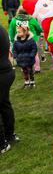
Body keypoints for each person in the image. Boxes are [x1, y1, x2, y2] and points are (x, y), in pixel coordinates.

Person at [0, 23, 18, 154]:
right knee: (4, 104)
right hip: (6, 71)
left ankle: (2, 143)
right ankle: (9, 135)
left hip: (2, 73)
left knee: (3, 105)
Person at [9, 8, 43, 73]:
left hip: (19, 40)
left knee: (21, 54)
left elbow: (11, 31)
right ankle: (37, 68)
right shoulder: (31, 19)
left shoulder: (14, 20)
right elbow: (38, 28)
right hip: (32, 38)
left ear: (18, 13)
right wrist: (38, 34)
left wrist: (13, 40)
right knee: (35, 54)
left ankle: (24, 68)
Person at [13, 22, 38, 89]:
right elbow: (14, 49)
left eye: (19, 32)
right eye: (17, 32)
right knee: (24, 71)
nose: (17, 34)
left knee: (30, 71)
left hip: (29, 59)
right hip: (21, 59)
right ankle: (26, 82)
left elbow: (34, 48)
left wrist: (32, 55)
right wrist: (15, 55)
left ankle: (32, 82)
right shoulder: (16, 41)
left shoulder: (31, 40)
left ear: (25, 32)